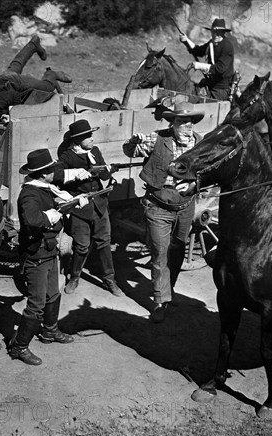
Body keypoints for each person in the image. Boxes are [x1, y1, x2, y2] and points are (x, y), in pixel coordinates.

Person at [122, 101, 204, 323]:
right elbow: (128, 151)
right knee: (160, 253)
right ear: (172, 123)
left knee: (177, 249)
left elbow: (207, 171)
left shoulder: (200, 143)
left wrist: (195, 186)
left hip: (186, 207)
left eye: (189, 121)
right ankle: (160, 300)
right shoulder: (157, 138)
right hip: (158, 207)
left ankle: (170, 289)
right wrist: (133, 141)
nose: (186, 125)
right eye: (181, 121)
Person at [11, 148, 90, 365]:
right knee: (36, 303)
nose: (54, 173)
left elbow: (56, 204)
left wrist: (73, 202)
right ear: (43, 173)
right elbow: (33, 220)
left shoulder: (45, 188)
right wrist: (53, 215)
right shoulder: (29, 194)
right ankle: (19, 347)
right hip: (36, 254)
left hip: (49, 250)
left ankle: (49, 332)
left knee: (53, 294)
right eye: (50, 170)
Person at [0, 34, 72, 176]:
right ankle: (33, 44)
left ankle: (51, 75)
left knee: (45, 88)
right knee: (16, 65)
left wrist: (12, 113)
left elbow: (20, 97)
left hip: (13, 85)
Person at [58, 119, 124, 297]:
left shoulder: (94, 151)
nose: (92, 139)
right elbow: (58, 178)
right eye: (87, 136)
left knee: (104, 243)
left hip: (100, 206)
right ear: (78, 140)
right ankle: (74, 277)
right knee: (82, 247)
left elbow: (102, 173)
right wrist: (76, 176)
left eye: (91, 135)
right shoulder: (67, 157)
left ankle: (110, 280)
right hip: (80, 209)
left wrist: (109, 170)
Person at [179, 18, 234, 101]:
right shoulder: (211, 43)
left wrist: (200, 66)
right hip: (209, 83)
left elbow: (220, 68)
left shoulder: (227, 46)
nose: (216, 34)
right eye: (214, 32)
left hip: (221, 88)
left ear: (223, 33)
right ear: (211, 32)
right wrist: (186, 41)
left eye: (219, 32)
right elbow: (198, 51)